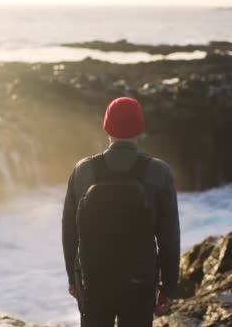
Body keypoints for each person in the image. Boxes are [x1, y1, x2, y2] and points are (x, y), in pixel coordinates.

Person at [62, 97, 180, 327]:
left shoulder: (83, 170)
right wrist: (169, 288)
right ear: (139, 128)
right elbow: (169, 237)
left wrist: (73, 279)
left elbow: (69, 229)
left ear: (107, 126)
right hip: (139, 281)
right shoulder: (159, 172)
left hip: (94, 278)